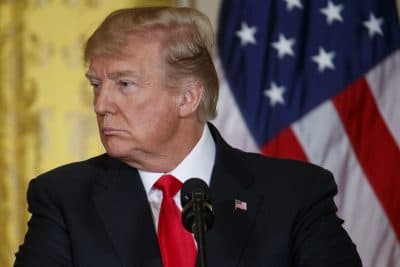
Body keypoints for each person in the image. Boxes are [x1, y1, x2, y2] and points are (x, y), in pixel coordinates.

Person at [14, 6, 362, 267]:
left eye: (124, 84)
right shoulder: (63, 199)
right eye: (96, 85)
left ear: (187, 97)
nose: (101, 104)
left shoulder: (296, 195)